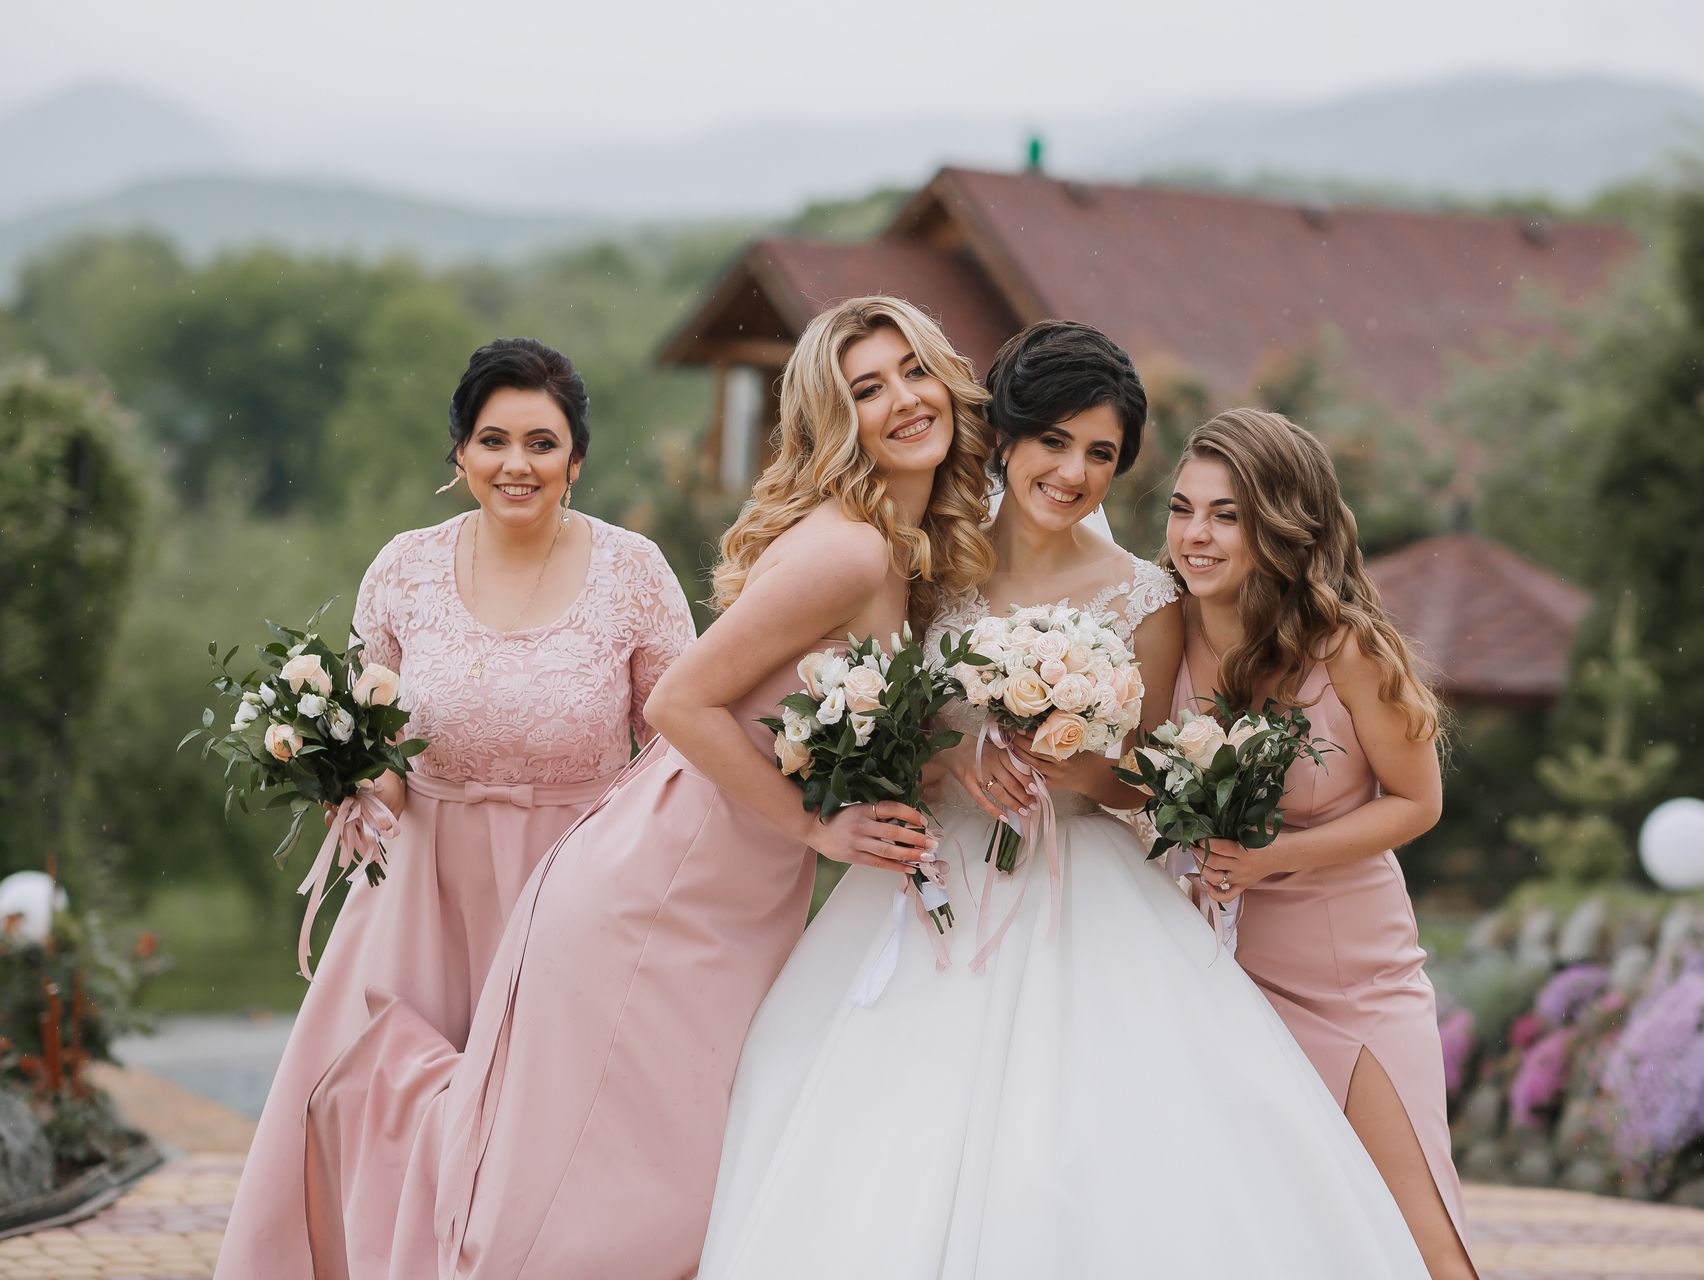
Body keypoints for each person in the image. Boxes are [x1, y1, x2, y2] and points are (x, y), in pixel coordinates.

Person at [699, 322, 1426, 1279]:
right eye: (1054, 442)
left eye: (1101, 455)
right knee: (876, 1125)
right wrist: (953, 750)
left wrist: (1082, 768)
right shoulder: (921, 564)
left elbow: (1144, 781)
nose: (1074, 473)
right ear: (1006, 435)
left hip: (1087, 884)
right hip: (933, 878)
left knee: (1095, 1150)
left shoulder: (1147, 598)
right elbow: (875, 712)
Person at [299, 296, 995, 1279]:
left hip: (730, 893)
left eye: (914, 371)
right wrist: (819, 828)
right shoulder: (851, 547)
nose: (903, 401)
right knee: (621, 1202)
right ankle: (383, 1106)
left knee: (666, 1184)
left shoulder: (889, 546)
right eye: (866, 388)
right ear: (836, 419)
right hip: (665, 885)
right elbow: (678, 702)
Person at [215, 337, 694, 1280]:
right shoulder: (403, 568)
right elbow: (382, 749)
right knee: (378, 1098)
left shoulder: (635, 571)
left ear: (577, 458)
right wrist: (344, 772)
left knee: (553, 1126)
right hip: (424, 882)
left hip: (578, 888)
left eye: (542, 443)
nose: (517, 464)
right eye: (493, 440)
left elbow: (681, 747)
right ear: (461, 454)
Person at [1166, 408, 1476, 1279]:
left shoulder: (1346, 647)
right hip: (1219, 975)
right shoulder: (1161, 632)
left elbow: (1417, 802)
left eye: (1227, 515)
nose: (1196, 535)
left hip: (1352, 976)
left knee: (1423, 1238)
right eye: (1183, 508)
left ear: (1281, 523)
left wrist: (1270, 858)